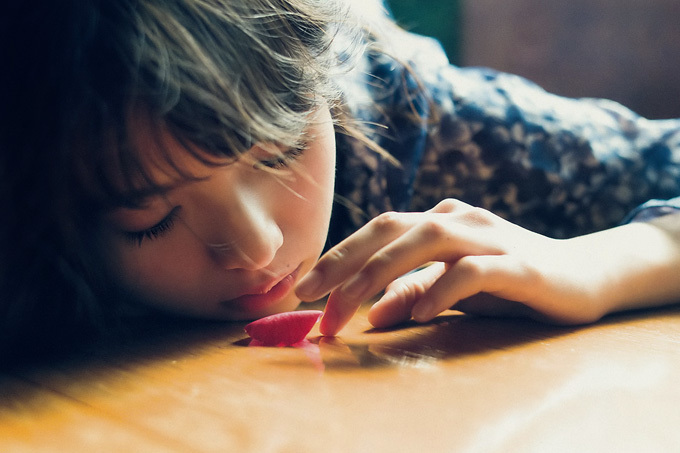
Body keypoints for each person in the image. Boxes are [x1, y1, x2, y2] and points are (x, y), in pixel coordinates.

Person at [2, 0, 680, 360]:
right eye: (146, 218)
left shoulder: (407, 119)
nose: (259, 244)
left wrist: (600, 266)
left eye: (280, 150)